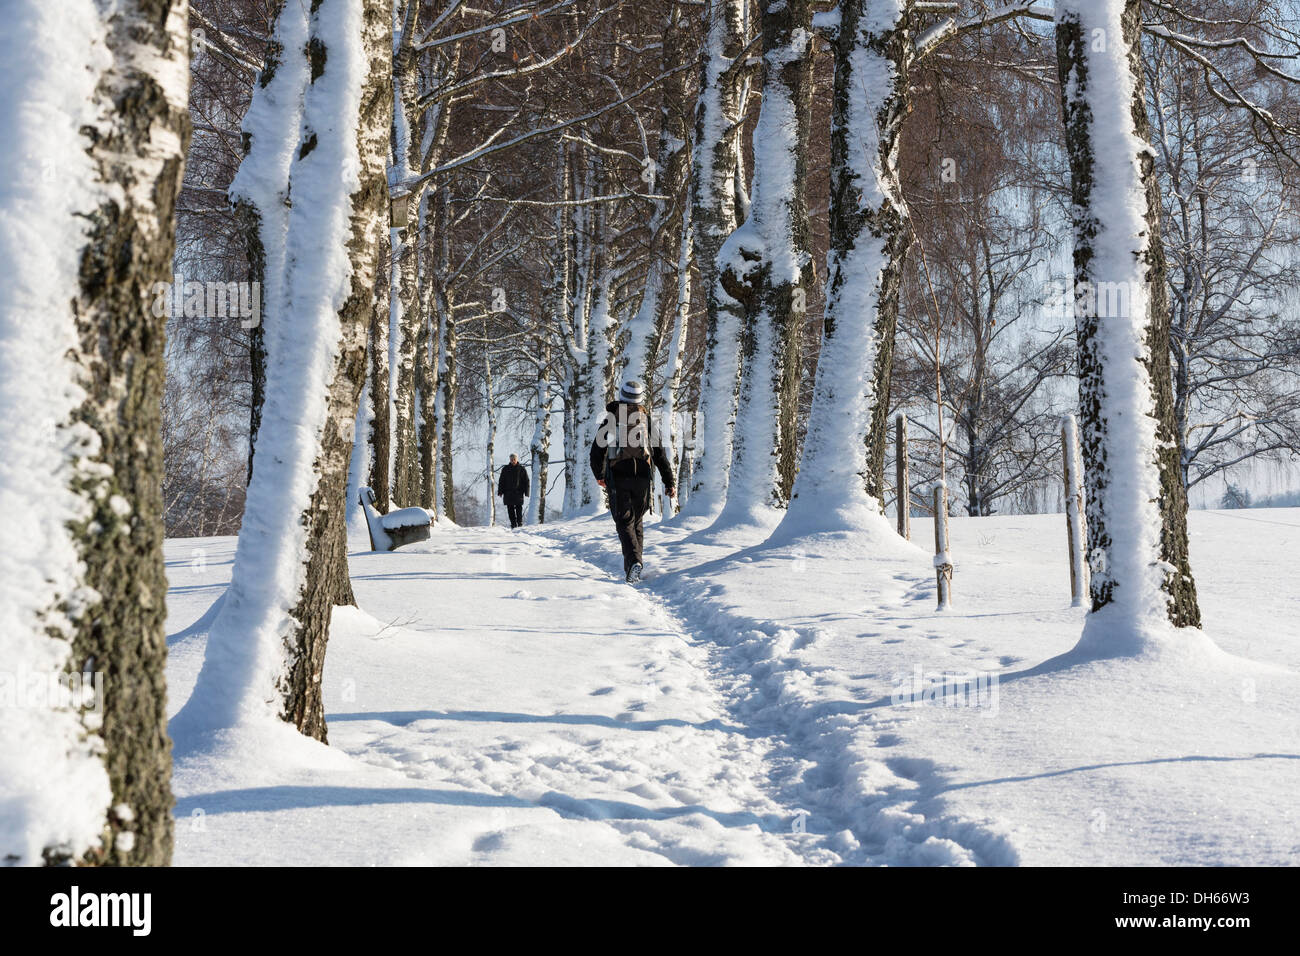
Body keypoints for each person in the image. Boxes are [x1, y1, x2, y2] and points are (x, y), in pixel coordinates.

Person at [589, 379, 674, 583]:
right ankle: (635, 565)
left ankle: (634, 562)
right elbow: (660, 454)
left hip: (618, 475)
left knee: (624, 520)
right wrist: (669, 481)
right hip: (643, 477)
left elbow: (596, 451)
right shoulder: (646, 419)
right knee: (636, 520)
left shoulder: (611, 419)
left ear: (621, 395)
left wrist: (599, 475)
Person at [498, 453, 529, 528]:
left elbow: (526, 481)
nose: (513, 461)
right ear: (510, 460)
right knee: (510, 508)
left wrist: (526, 492)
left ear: (517, 459)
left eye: (514, 459)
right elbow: (501, 481)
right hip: (508, 492)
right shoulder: (505, 469)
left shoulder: (521, 469)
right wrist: (500, 491)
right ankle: (513, 524)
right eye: (511, 459)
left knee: (519, 508)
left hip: (518, 492)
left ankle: (519, 522)